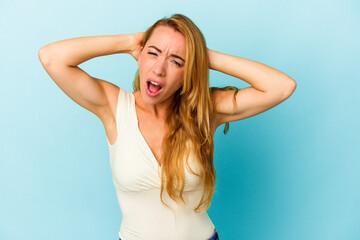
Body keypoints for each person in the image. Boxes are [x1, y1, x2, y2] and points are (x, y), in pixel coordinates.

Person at [38, 13, 296, 240]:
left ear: (189, 71)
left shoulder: (204, 110)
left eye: (176, 61)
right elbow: (51, 57)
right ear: (139, 57)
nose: (159, 68)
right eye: (152, 53)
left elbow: (281, 87)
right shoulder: (114, 106)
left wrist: (204, 56)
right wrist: (127, 42)